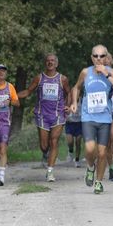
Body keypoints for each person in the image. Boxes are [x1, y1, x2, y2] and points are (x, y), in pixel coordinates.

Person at [70, 44, 113, 194]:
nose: (99, 59)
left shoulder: (112, 72)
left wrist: (106, 74)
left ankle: (99, 182)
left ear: (106, 57)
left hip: (105, 118)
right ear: (91, 57)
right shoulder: (85, 72)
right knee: (89, 148)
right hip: (88, 116)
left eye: (102, 56)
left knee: (102, 153)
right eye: (96, 56)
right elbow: (76, 87)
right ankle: (90, 167)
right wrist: (74, 103)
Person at [18, 54, 71, 182]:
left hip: (58, 114)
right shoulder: (39, 78)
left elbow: (69, 92)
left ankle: (50, 171)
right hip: (42, 114)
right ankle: (46, 153)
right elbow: (28, 91)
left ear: (56, 64)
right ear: (45, 63)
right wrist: (12, 96)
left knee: (54, 142)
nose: (50, 63)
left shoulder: (62, 79)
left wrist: (69, 105)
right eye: (48, 61)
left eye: (52, 61)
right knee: (44, 146)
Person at [65, 92, 82, 168]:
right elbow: (64, 110)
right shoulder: (69, 101)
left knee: (78, 142)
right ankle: (70, 151)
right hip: (70, 123)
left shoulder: (82, 100)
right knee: (70, 142)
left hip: (79, 123)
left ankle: (77, 160)